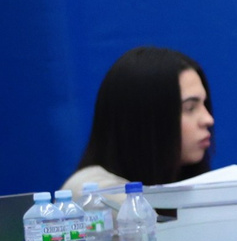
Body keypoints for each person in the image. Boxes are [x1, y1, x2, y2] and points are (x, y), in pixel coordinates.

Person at [63, 46, 216, 190]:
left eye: (205, 105)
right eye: (190, 108)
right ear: (145, 120)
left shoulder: (183, 182)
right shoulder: (93, 192)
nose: (208, 119)